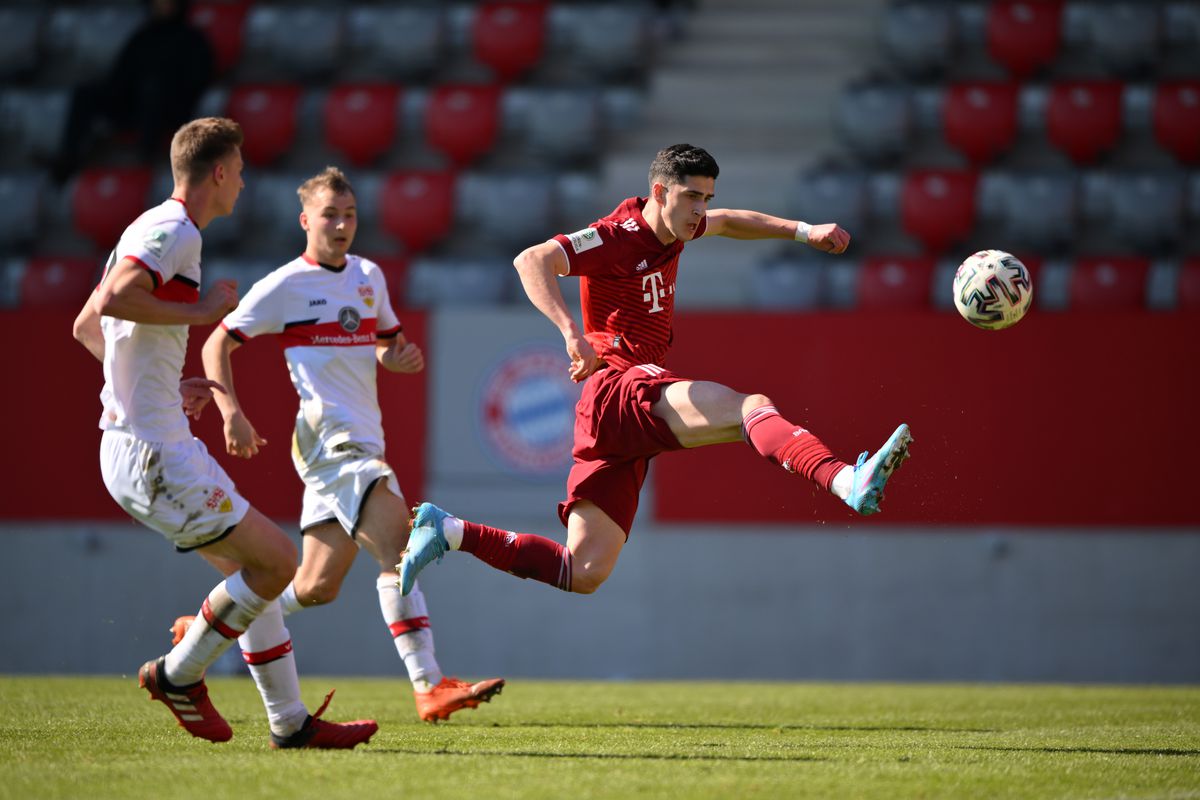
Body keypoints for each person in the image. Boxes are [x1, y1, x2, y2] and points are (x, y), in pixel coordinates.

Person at [398, 143, 912, 597]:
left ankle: (449, 531)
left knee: (583, 571)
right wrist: (570, 332)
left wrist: (803, 231)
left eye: (706, 198)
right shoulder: (616, 236)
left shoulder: (677, 229)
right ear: (660, 192)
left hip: (613, 422)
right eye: (692, 198)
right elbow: (530, 260)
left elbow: (731, 221)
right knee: (748, 407)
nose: (701, 211)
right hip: (619, 388)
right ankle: (846, 479)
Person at [71, 118, 376, 749]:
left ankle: (289, 724)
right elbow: (113, 303)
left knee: (253, 571)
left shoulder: (148, 226)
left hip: (151, 437)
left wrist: (155, 385)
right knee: (280, 562)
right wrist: (201, 312)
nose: (242, 180)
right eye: (237, 169)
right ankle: (177, 675)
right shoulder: (173, 230)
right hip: (152, 450)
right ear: (217, 172)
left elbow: (84, 327)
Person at [192, 166, 505, 722]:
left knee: (314, 588)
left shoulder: (367, 276)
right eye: (330, 215)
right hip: (330, 439)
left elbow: (386, 343)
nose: (341, 225)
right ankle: (429, 684)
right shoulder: (286, 284)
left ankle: (218, 621)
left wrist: (396, 358)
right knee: (400, 547)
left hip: (360, 437)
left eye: (350, 215)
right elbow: (218, 342)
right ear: (305, 220)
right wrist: (230, 411)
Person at [51, 0, 214, 183]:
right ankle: (69, 157)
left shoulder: (192, 38)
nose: (161, 5)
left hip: (171, 110)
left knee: (153, 90)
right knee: (85, 94)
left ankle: (145, 157)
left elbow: (197, 79)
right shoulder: (143, 36)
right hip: (133, 106)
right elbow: (119, 78)